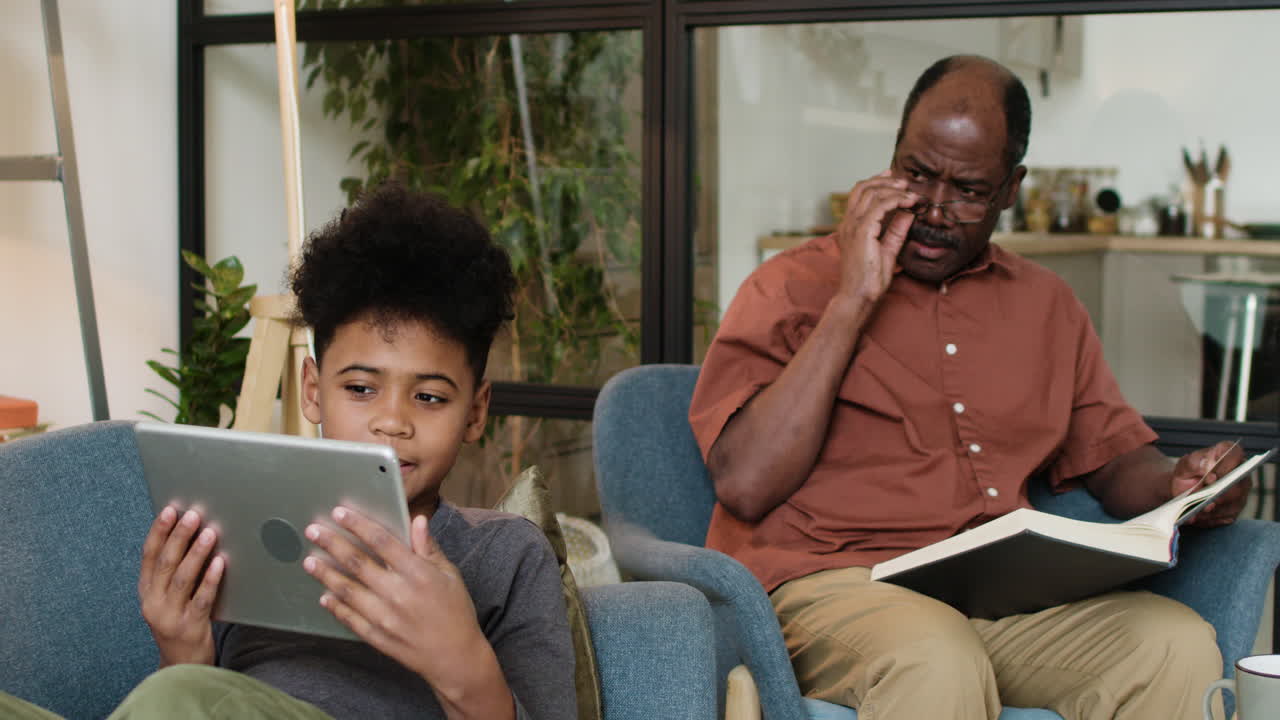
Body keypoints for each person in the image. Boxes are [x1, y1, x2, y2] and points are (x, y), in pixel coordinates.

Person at [688, 55, 1247, 720]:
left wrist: (1182, 485)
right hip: (831, 586)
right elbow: (745, 482)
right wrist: (852, 301)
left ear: (1012, 188)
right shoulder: (789, 285)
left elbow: (1116, 460)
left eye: (968, 189)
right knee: (937, 655)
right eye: (915, 174)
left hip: (993, 598)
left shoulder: (1047, 305)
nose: (933, 209)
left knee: (1174, 647)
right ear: (891, 156)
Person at [2, 183, 576, 720]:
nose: (391, 421)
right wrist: (182, 646)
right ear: (311, 389)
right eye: (360, 388)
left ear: (475, 411)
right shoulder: (245, 526)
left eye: (429, 396)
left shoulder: (504, 555)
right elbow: (201, 695)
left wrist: (461, 663)